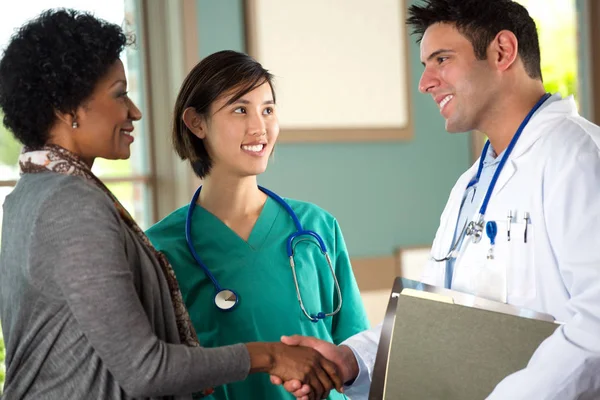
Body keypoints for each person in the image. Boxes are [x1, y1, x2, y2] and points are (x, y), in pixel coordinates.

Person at [0, 10, 343, 400]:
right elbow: (147, 370)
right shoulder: (69, 205)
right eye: (118, 94)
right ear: (67, 109)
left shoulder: (28, 195)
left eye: (267, 108)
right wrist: (270, 355)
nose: (134, 111)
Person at [274, 0, 600, 398]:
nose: (425, 82)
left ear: (502, 51)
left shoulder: (579, 156)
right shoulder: (469, 186)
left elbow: (595, 323)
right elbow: (429, 319)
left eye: (441, 59)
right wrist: (349, 361)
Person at [145, 50, 370, 400]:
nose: (259, 127)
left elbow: (356, 349)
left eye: (267, 109)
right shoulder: (160, 249)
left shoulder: (317, 228)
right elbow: (156, 371)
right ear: (196, 123)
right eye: (240, 109)